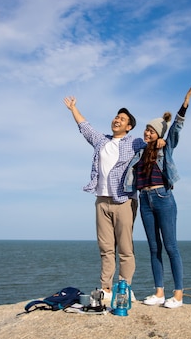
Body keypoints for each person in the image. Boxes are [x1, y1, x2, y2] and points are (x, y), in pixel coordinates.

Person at [63, 97, 145, 302]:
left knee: (125, 249)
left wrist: (159, 139)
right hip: (102, 201)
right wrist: (74, 108)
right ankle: (106, 289)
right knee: (106, 248)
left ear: (129, 126)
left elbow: (153, 146)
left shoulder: (135, 142)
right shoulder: (101, 141)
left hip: (124, 200)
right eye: (116, 117)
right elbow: (85, 127)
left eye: (122, 118)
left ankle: (124, 287)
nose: (117, 119)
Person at [124, 82, 191, 309]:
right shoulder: (139, 151)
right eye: (146, 129)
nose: (147, 132)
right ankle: (158, 292)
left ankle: (177, 295)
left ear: (158, 133)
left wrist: (184, 106)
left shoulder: (165, 148)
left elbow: (175, 129)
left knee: (171, 247)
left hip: (163, 198)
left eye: (151, 130)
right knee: (153, 247)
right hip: (145, 200)